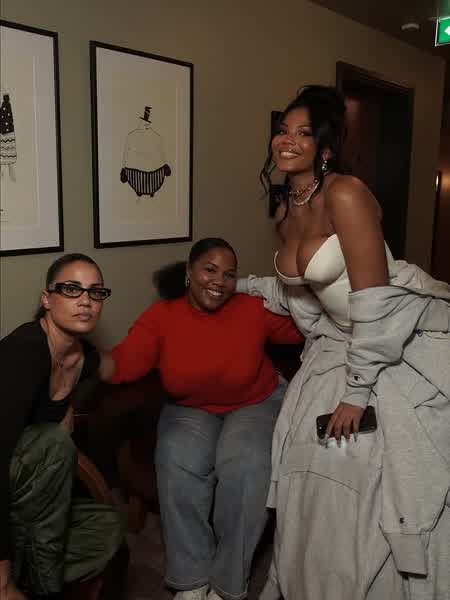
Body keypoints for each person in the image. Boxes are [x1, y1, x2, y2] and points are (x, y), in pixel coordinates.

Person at [238, 85, 450, 600]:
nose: (287, 140)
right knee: (307, 460)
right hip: (342, 339)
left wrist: (356, 393)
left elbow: (375, 301)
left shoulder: (347, 194)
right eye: (282, 130)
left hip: (397, 334)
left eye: (304, 133)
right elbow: (305, 289)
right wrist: (238, 286)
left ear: (326, 147)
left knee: (369, 468)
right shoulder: (286, 207)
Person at [99, 237, 304, 600]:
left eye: (229, 274)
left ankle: (227, 584)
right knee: (175, 456)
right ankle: (192, 580)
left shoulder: (251, 308)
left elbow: (305, 325)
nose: (219, 281)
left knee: (247, 463)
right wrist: (79, 360)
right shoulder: (162, 316)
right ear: (189, 272)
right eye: (210, 270)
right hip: (189, 407)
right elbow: (126, 360)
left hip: (255, 401)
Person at [0, 253, 123, 600]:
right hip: (5, 480)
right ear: (46, 299)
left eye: (95, 292)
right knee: (54, 443)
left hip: (30, 502)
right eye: (71, 289)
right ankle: (40, 586)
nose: (85, 300)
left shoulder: (82, 357)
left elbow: (111, 367)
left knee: (108, 529)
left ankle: (28, 563)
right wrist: (2, 575)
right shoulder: (24, 353)